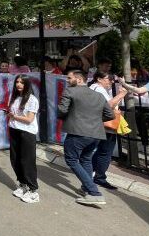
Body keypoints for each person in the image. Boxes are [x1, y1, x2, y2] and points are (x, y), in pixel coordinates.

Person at [57, 70, 114, 206]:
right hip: (97, 134)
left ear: (79, 79)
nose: (67, 80)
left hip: (78, 133)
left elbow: (62, 111)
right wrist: (94, 120)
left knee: (71, 160)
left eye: (69, 78)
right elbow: (110, 115)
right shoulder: (99, 95)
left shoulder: (70, 92)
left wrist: (71, 118)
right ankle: (86, 188)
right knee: (86, 159)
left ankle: (94, 192)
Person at [89, 71, 127, 190]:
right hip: (104, 124)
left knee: (100, 150)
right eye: (108, 78)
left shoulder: (95, 88)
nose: (111, 81)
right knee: (105, 152)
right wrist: (122, 94)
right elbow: (109, 105)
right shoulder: (98, 89)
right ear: (99, 79)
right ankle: (99, 177)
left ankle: (92, 171)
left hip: (98, 123)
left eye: (112, 78)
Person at [7, 75, 40, 203]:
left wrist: (14, 117)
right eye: (17, 82)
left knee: (27, 161)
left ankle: (33, 190)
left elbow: (29, 119)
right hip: (14, 130)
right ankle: (22, 184)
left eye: (22, 82)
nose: (19, 85)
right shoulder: (15, 97)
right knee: (15, 159)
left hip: (27, 132)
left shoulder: (32, 100)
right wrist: (12, 116)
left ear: (27, 84)